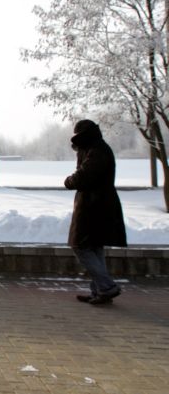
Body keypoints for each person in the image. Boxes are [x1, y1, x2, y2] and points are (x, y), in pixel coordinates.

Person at [63, 120, 127, 305]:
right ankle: (100, 290)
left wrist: (69, 181)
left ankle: (106, 287)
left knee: (81, 246)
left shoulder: (97, 151)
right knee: (94, 247)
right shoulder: (96, 148)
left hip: (94, 207)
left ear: (83, 135)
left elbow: (84, 176)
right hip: (98, 205)